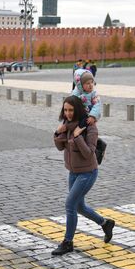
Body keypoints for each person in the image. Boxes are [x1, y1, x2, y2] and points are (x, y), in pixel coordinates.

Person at [52, 95, 115, 255]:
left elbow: (88, 153)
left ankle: (68, 242)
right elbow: (60, 148)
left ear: (78, 109)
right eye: (65, 110)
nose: (68, 113)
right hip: (73, 172)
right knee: (79, 206)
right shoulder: (67, 124)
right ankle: (105, 223)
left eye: (71, 110)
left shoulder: (90, 127)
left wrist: (77, 136)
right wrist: (58, 133)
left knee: (70, 205)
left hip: (88, 172)